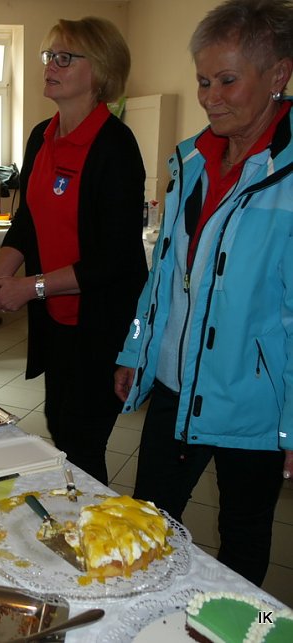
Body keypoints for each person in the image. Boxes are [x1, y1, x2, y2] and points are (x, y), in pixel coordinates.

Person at [114, 0, 293, 587]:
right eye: (202, 81)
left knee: (243, 536)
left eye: (228, 80)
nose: (211, 95)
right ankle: (141, 622)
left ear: (278, 75)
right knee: (147, 521)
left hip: (255, 398)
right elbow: (164, 276)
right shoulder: (190, 160)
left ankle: (254, 628)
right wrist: (135, 351)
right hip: (173, 382)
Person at [0, 17, 147, 485]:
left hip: (100, 321)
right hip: (55, 318)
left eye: (66, 57)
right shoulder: (41, 136)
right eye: (50, 56)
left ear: (100, 70)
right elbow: (28, 220)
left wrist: (30, 287)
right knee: (59, 425)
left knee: (83, 439)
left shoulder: (115, 146)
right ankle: (75, 518)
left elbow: (115, 259)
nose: (51, 65)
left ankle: (93, 535)